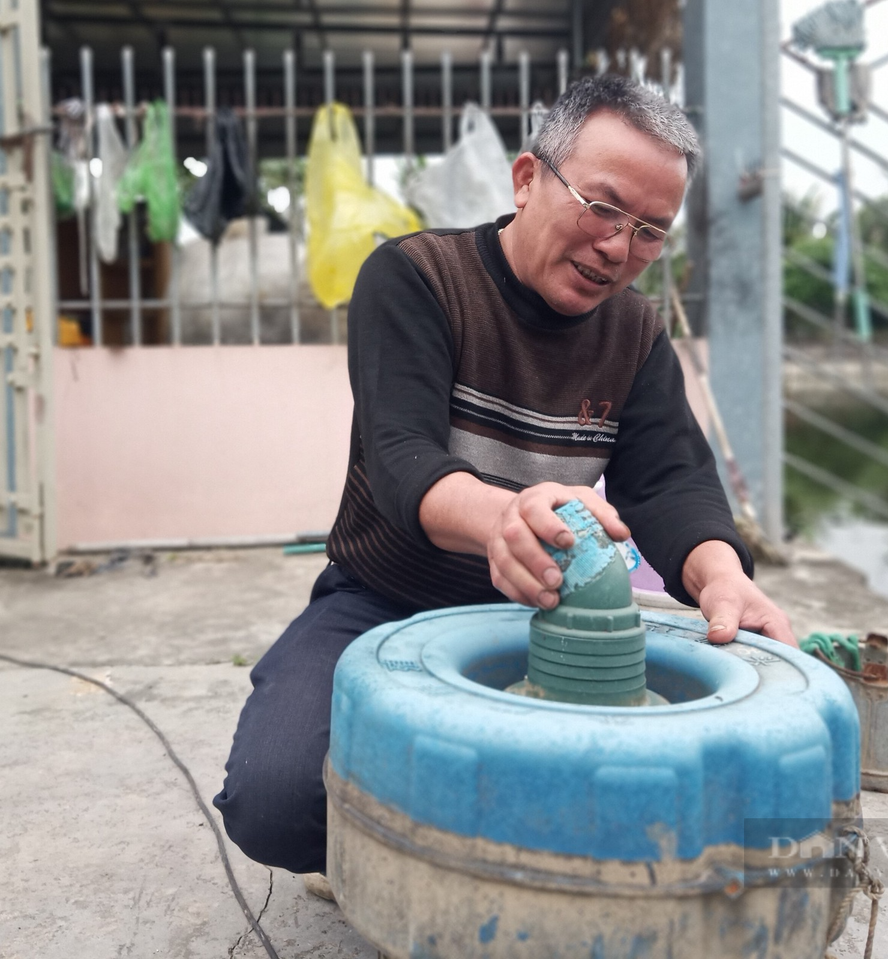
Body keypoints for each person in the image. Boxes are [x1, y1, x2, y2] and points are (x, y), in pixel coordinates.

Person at [213, 75, 794, 881]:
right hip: (384, 598)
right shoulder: (416, 278)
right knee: (273, 801)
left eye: (651, 231)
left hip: (549, 614)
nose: (619, 249)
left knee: (667, 791)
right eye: (603, 207)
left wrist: (722, 575)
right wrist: (501, 519)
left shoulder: (633, 331)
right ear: (527, 180)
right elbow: (402, 457)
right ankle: (412, 872)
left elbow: (671, 481)